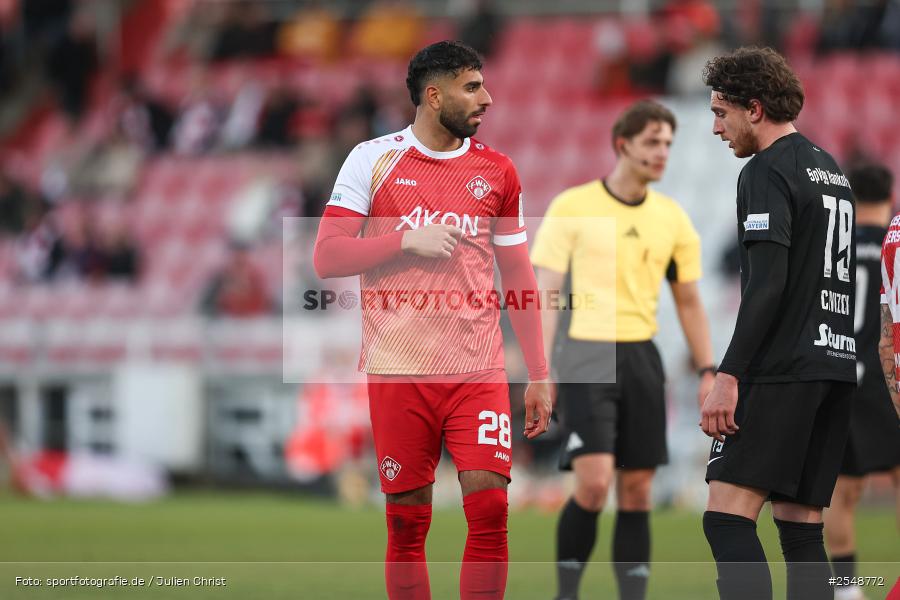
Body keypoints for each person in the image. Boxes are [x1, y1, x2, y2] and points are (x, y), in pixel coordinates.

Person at [312, 41, 552, 599]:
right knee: (406, 521)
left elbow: (518, 274)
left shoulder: (497, 171)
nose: (487, 99)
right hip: (399, 370)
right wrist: (404, 241)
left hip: (477, 369)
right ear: (433, 95)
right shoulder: (372, 160)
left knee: (491, 507)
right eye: (473, 87)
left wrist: (538, 371)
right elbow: (327, 257)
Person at [531, 99, 716, 600]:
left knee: (636, 491)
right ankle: (566, 593)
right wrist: (539, 366)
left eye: (669, 145)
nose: (663, 153)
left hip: (642, 356)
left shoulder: (672, 218)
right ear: (623, 144)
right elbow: (545, 292)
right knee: (593, 485)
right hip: (586, 353)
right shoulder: (572, 206)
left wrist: (708, 368)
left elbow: (690, 301)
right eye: (653, 142)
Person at [701, 46, 857, 600]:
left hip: (784, 367)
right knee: (800, 527)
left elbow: (767, 286)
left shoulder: (765, 170)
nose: (717, 127)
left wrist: (729, 373)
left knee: (726, 515)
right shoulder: (830, 169)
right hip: (835, 366)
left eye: (722, 112)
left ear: (755, 108)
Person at [824, 163, 900, 600]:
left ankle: (847, 589)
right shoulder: (894, 243)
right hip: (885, 373)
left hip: (841, 372)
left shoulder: (836, 245)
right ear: (890, 196)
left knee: (843, 490)